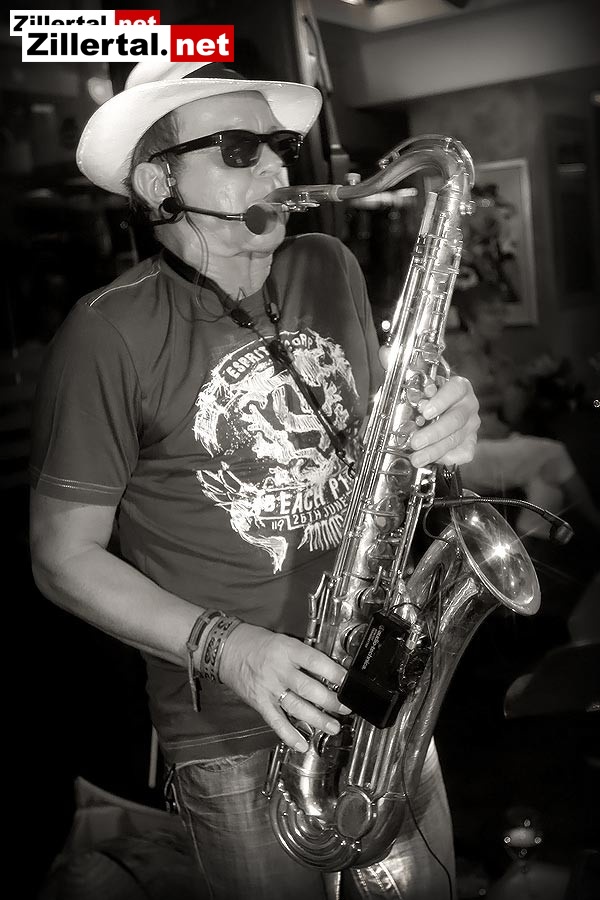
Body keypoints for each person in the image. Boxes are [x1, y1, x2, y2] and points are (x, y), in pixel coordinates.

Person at [29, 60, 481, 900]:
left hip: (382, 690)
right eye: (240, 149)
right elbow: (62, 558)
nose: (277, 166)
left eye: (278, 146)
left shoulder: (328, 265)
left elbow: (379, 436)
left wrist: (445, 423)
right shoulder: (106, 333)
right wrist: (229, 649)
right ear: (160, 183)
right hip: (238, 734)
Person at [447, 282, 600, 540]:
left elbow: (511, 415)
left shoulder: (498, 359)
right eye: (491, 312)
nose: (500, 319)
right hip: (467, 452)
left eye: (502, 312)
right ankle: (596, 523)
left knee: (547, 481)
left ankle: (527, 543)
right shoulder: (455, 353)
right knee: (554, 452)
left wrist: (528, 379)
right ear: (470, 318)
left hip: (499, 442)